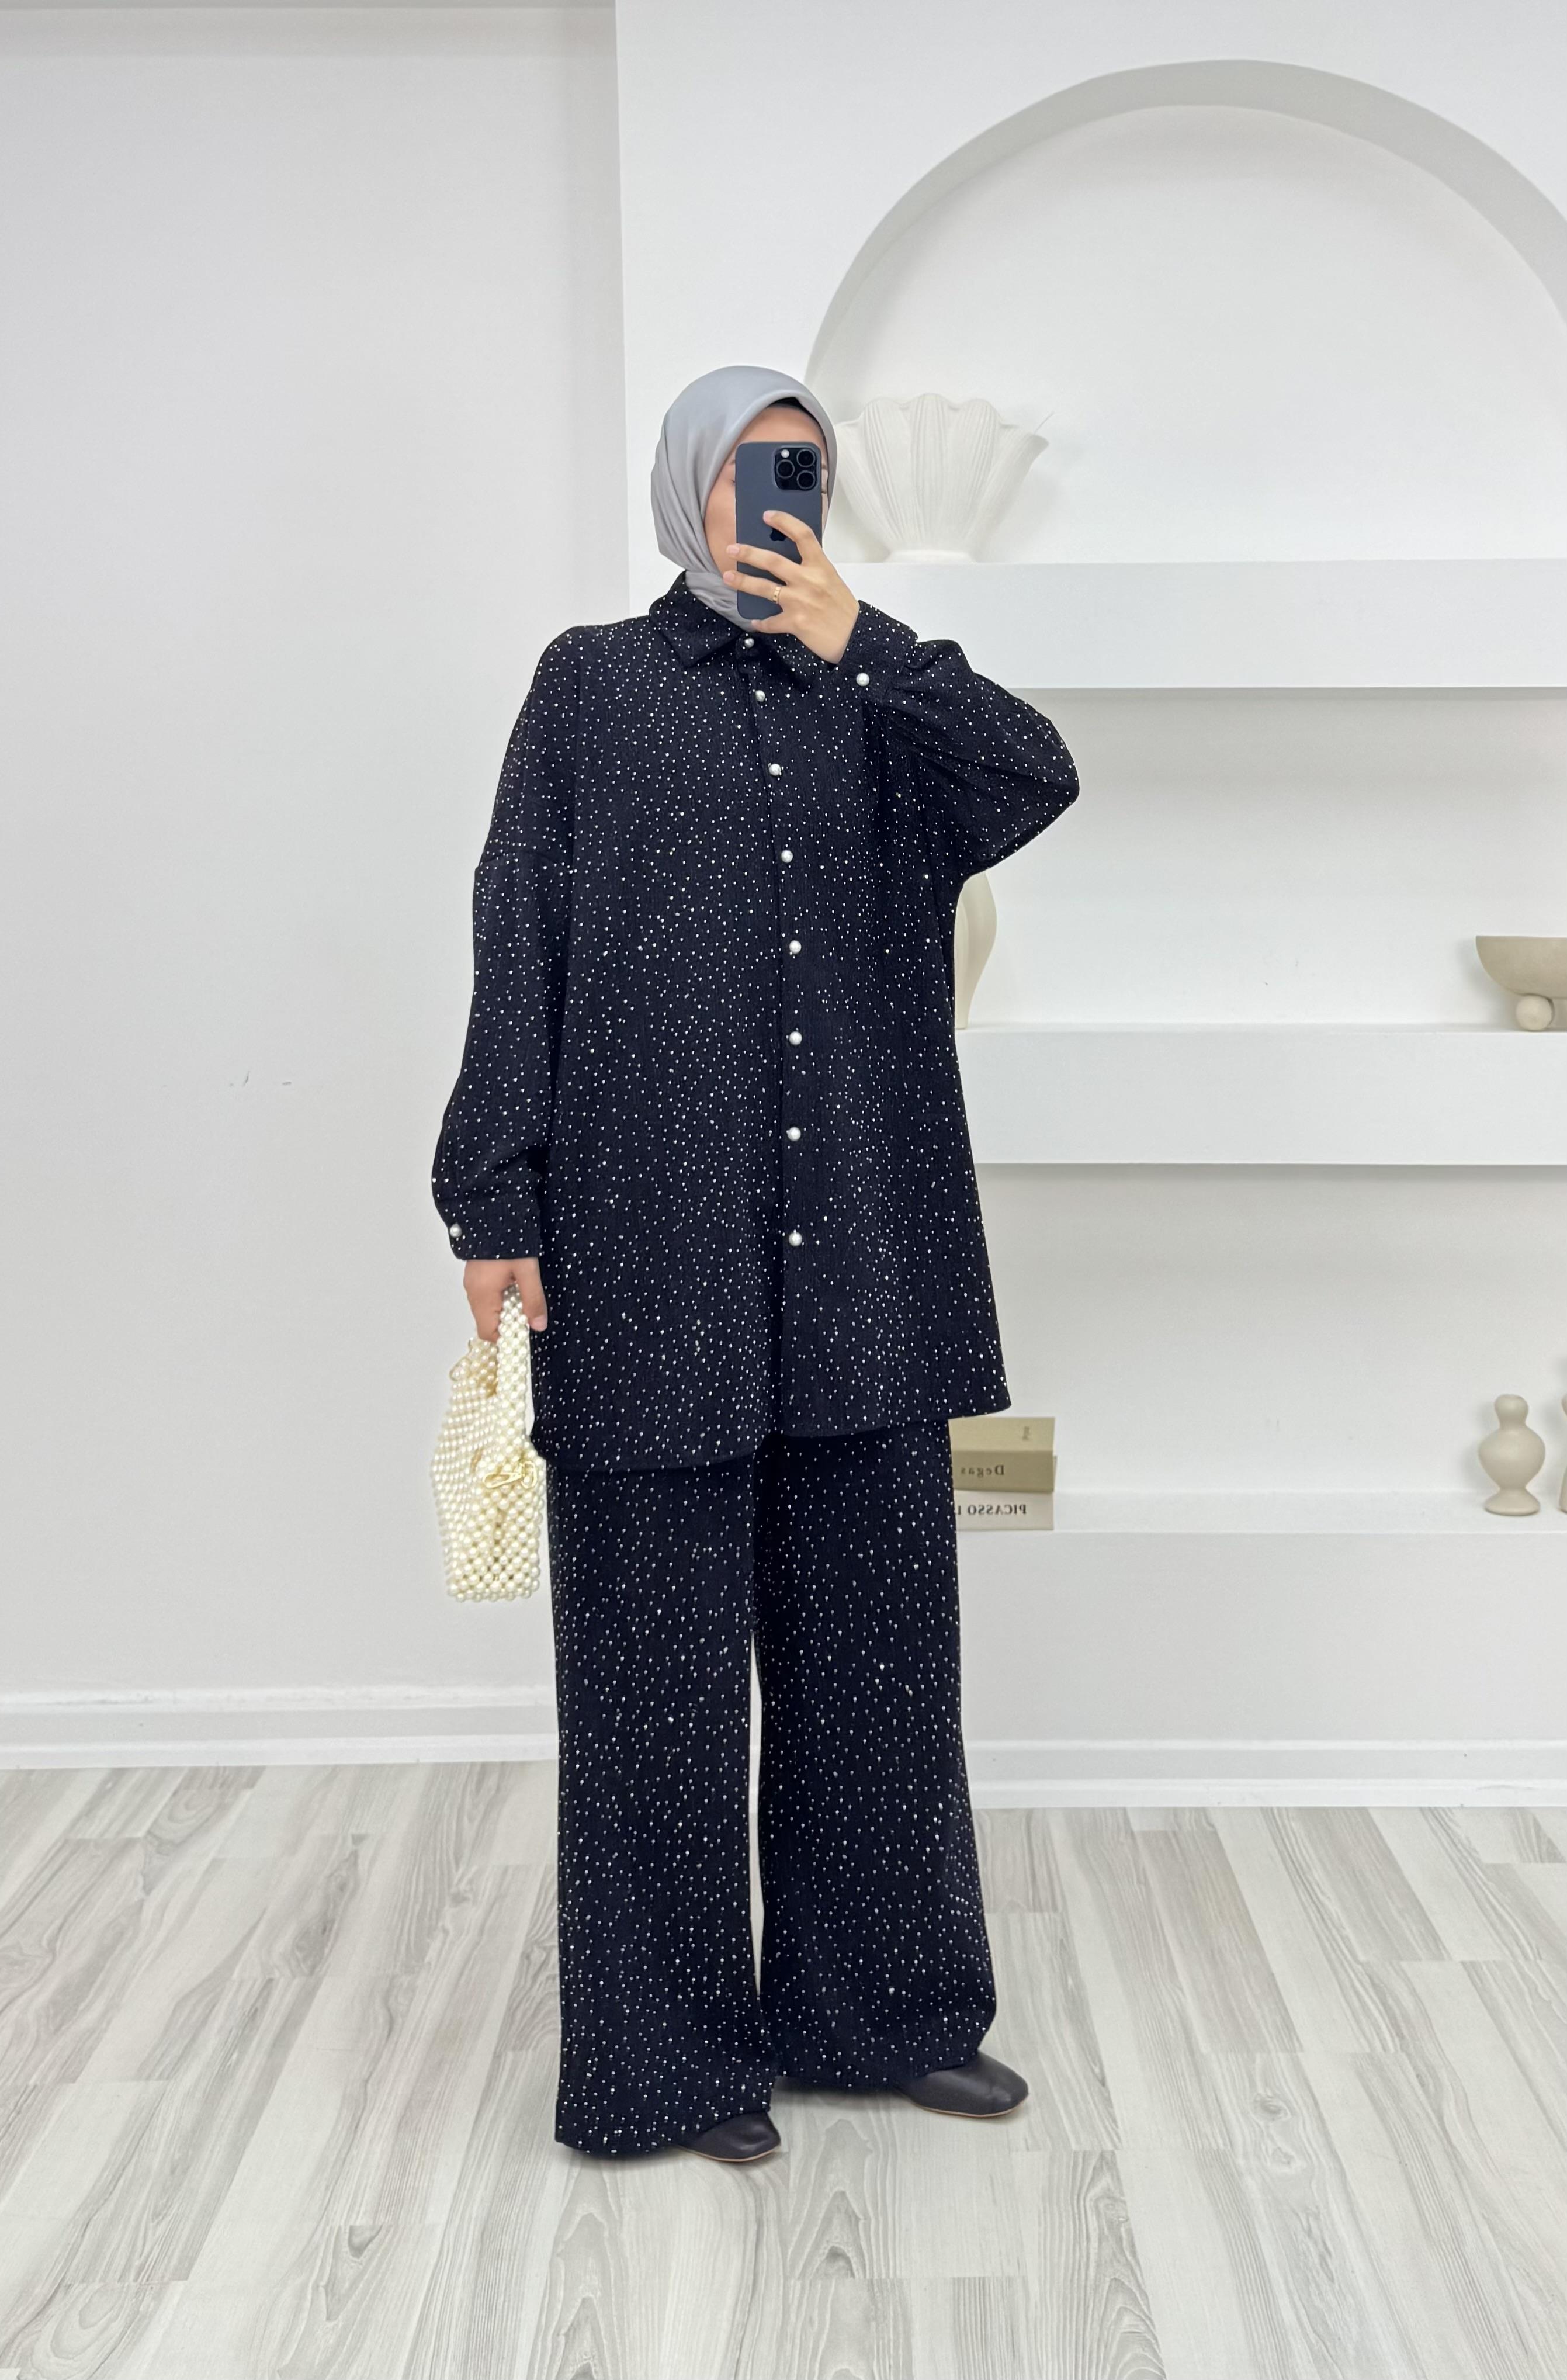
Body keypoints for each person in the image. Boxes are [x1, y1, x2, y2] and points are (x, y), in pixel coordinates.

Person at [432, 363, 1080, 2163]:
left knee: (878, 1669)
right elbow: (516, 927)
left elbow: (1036, 773)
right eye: (747, 466)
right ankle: (669, 2067)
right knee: (651, 1686)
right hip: (647, 1260)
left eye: (804, 467)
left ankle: (882, 2015)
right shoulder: (589, 688)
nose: (778, 496)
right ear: (683, 488)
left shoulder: (886, 706)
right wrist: (492, 1198)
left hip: (864, 1257)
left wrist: (865, 639)